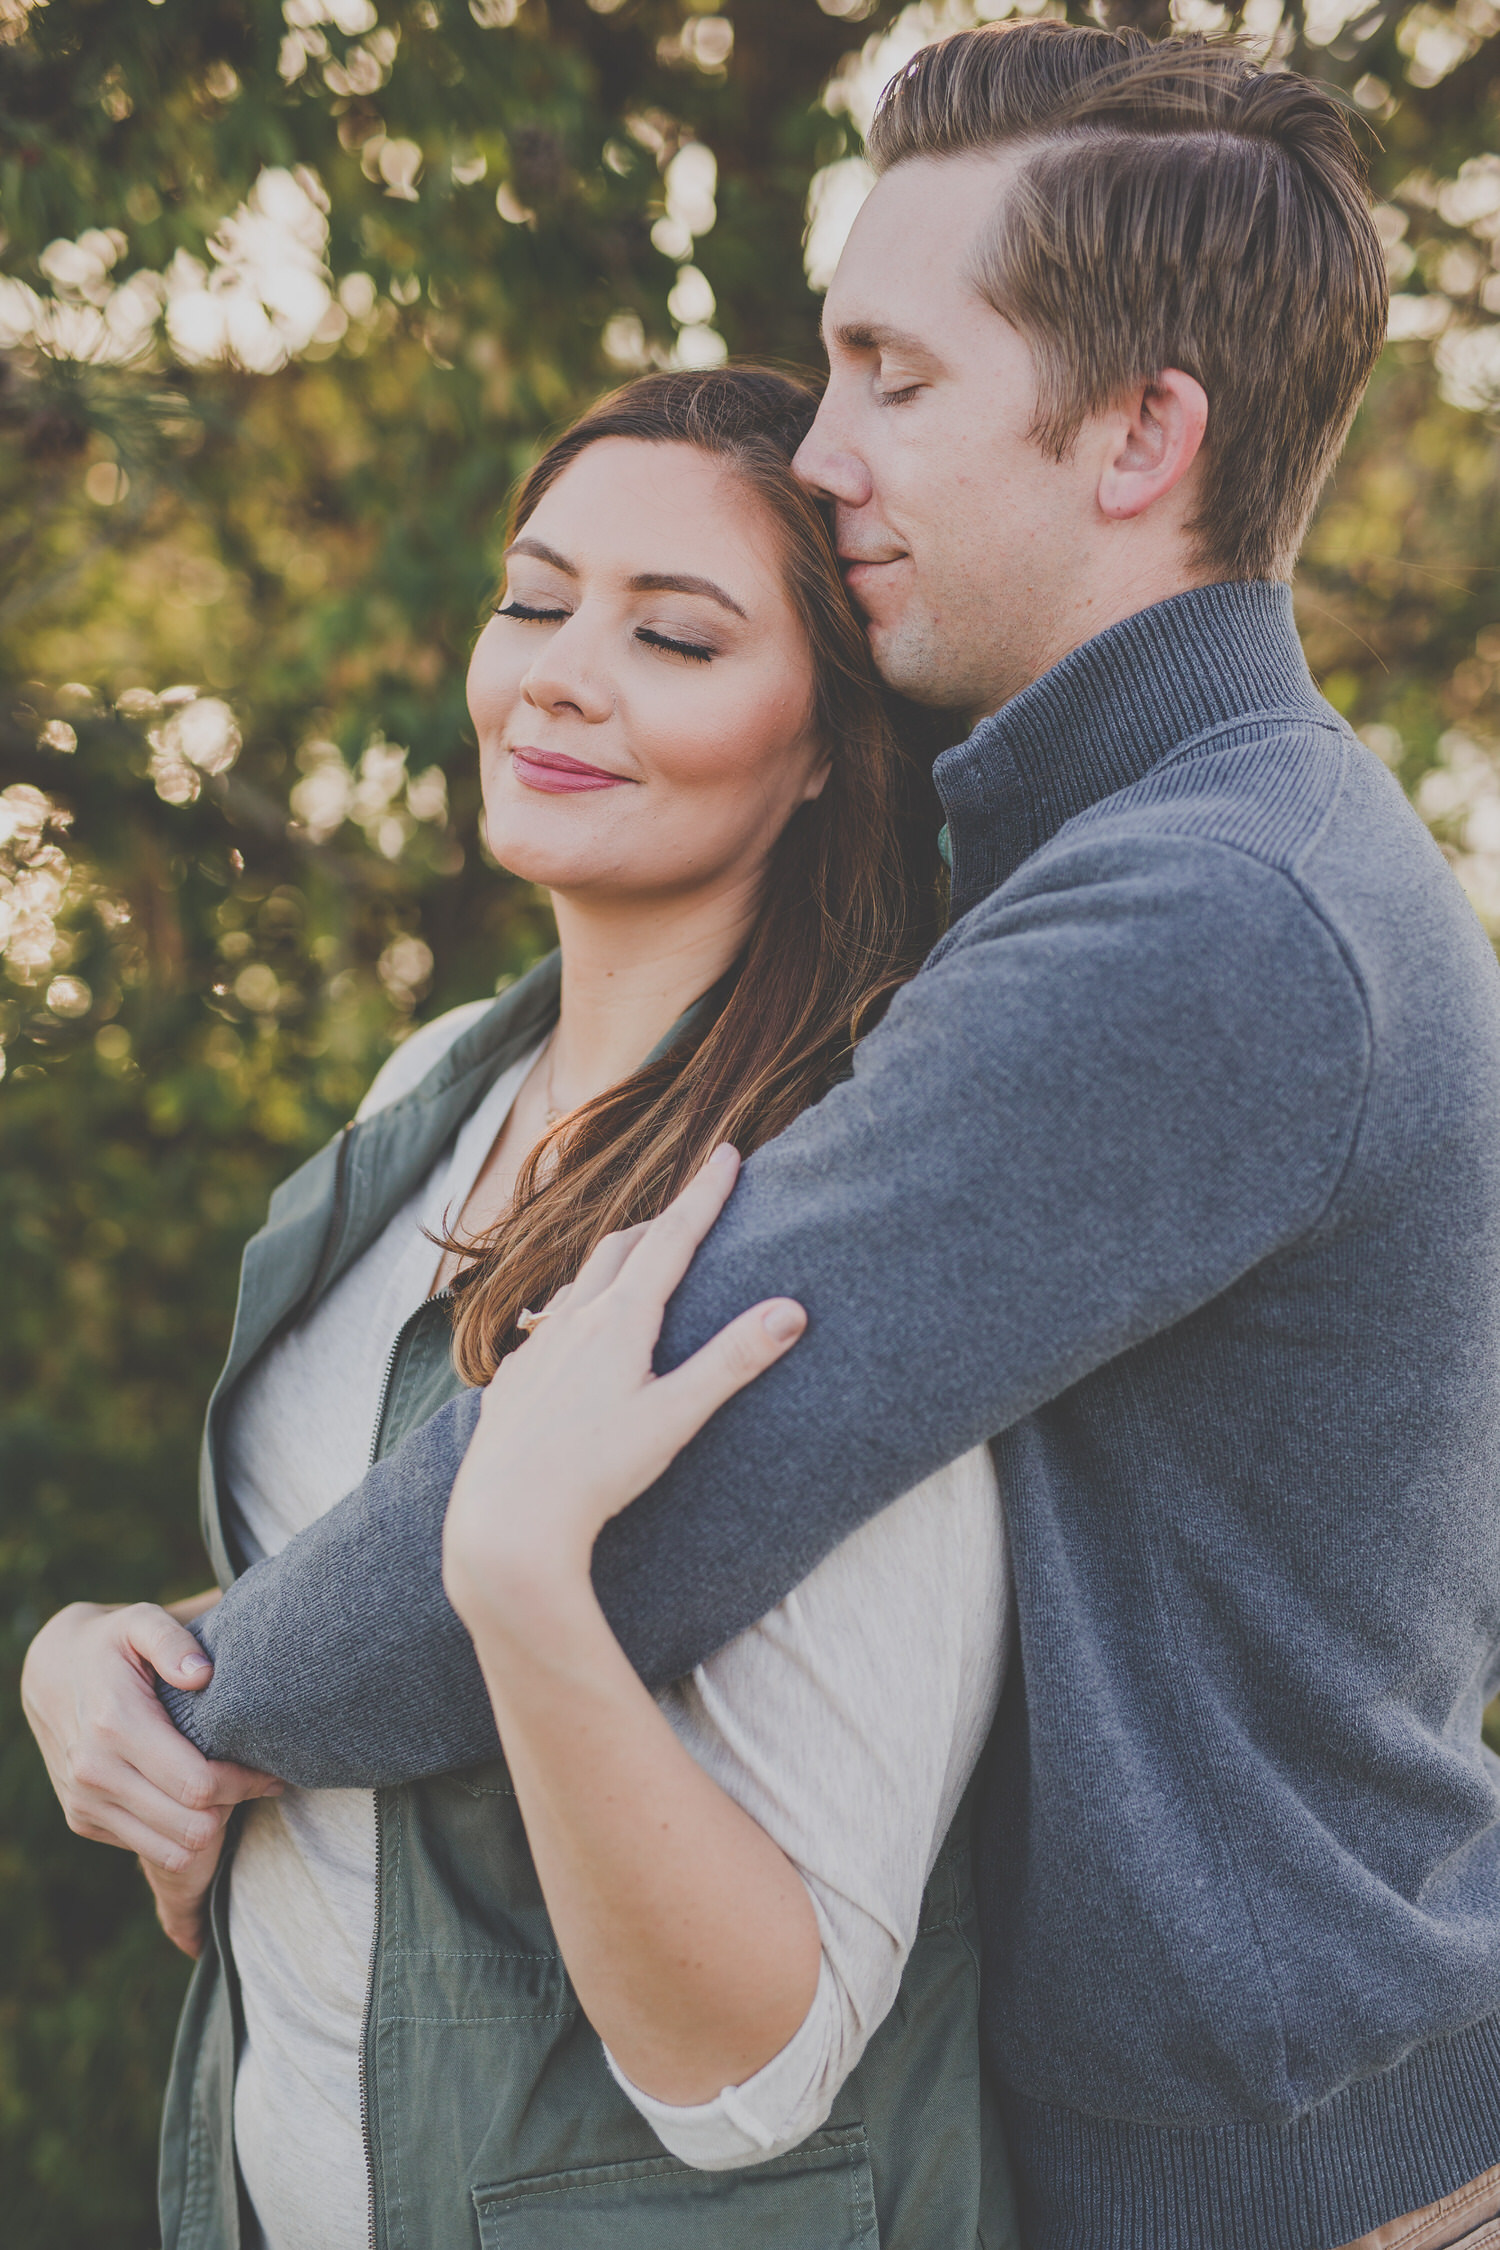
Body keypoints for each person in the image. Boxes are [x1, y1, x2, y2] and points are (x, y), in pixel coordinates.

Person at [26, 19, 1500, 2249]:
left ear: (1140, 436)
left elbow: (665, 1471)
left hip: (1295, 2200)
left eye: (894, 377)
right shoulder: (1151, 849)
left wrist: (187, 1697)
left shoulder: (1211, 913)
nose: (826, 452)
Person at [22, 368, 1018, 2250]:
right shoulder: (434, 1093)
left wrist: (528, 1590)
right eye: (534, 597)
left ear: (824, 746)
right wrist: (113, 1651)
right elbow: (364, 1554)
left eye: (673, 634)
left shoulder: (832, 1220)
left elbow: (763, 2055)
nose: (558, 672)